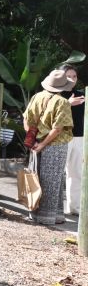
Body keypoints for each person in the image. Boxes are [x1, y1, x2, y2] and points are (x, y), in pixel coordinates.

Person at [23, 69, 75, 225]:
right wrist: (44, 144)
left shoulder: (36, 97)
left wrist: (34, 141)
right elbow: (58, 129)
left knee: (40, 177)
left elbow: (26, 119)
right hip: (55, 145)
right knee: (52, 180)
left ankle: (48, 214)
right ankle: (47, 218)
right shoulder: (62, 102)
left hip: (37, 143)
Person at [59, 64, 84, 216]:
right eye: (68, 76)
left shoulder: (81, 94)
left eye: (74, 76)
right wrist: (68, 103)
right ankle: (53, 210)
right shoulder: (55, 94)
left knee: (76, 174)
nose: (72, 79)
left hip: (79, 138)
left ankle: (74, 208)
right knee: (57, 174)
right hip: (60, 138)